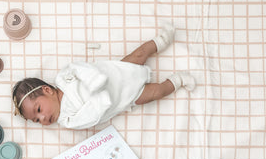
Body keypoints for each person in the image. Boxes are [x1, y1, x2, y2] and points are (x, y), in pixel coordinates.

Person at [12, 24, 196, 130]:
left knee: (140, 54)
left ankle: (161, 40)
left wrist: (94, 81)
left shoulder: (63, 78)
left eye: (38, 110)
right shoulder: (67, 119)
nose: (43, 118)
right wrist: (101, 98)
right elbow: (91, 116)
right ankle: (178, 80)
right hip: (122, 97)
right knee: (156, 92)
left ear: (47, 90)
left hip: (115, 74)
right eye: (37, 120)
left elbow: (80, 68)